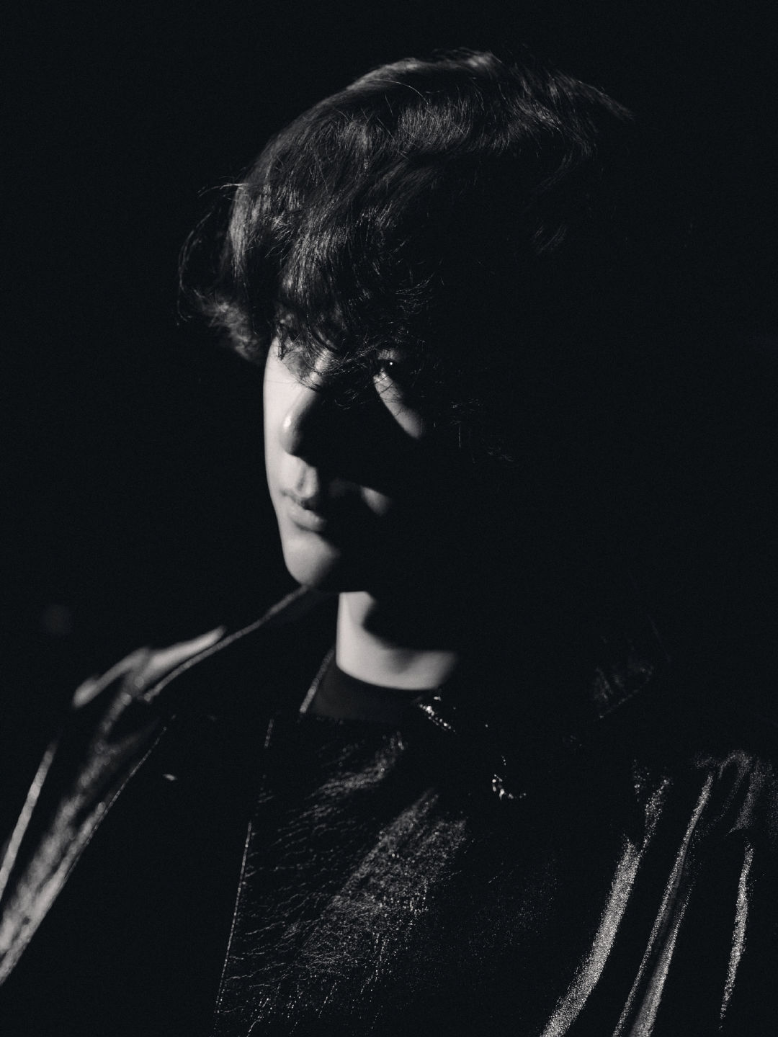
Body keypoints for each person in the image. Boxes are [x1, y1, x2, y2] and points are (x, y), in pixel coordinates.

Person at [1, 49, 776, 1036]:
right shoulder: (132, 715)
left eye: (390, 366)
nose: (301, 427)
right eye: (293, 334)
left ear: (545, 392)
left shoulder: (702, 824)